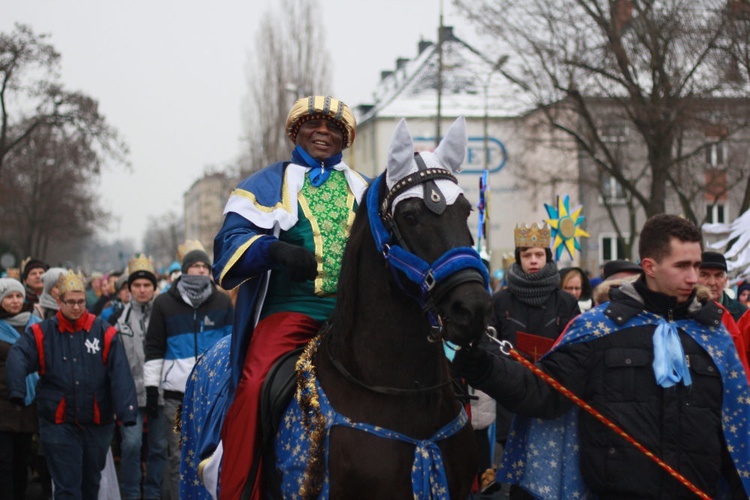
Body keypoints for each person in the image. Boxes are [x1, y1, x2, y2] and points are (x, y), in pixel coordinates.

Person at [452, 214, 750, 498]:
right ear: (650, 266)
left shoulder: (713, 335)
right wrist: (485, 365)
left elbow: (737, 428)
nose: (692, 276)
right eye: (682, 265)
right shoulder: (599, 329)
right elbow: (542, 391)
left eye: (696, 265)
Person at [212, 95, 366, 499]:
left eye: (333, 127)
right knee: (252, 386)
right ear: (296, 131)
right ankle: (239, 488)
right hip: (291, 314)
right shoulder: (266, 183)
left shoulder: (364, 188)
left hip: (355, 321)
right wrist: (274, 251)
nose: (323, 132)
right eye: (313, 124)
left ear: (344, 139)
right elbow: (229, 246)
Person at [6, 270, 138, 499]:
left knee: (90, 483)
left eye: (81, 302)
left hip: (97, 420)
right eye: (70, 302)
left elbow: (120, 374)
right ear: (59, 302)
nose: (76, 307)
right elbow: (18, 355)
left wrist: (126, 412)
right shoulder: (41, 332)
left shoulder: (104, 332)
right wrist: (17, 390)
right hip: (58, 421)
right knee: (67, 485)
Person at [144, 247, 234, 500]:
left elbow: (234, 345)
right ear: (185, 271)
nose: (202, 270)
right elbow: (154, 348)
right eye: (197, 266)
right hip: (176, 394)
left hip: (214, 394)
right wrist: (152, 389)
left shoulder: (222, 301)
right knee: (178, 457)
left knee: (213, 453)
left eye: (206, 267)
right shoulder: (163, 304)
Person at [108, 255, 166, 500]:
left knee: (159, 447)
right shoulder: (116, 321)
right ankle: (131, 493)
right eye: (137, 285)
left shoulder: (165, 314)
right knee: (131, 445)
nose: (142, 290)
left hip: (160, 391)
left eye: (147, 285)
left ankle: (153, 492)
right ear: (129, 288)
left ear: (154, 287)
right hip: (130, 392)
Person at [0, 278, 42, 499]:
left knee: (21, 460)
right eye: (9, 297)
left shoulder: (36, 323)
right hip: (3, 402)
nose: (15, 301)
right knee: (3, 461)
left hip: (29, 402)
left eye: (18, 296)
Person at [698, 251, 748, 322]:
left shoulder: (743, 314)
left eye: (718, 275)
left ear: (725, 280)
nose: (712, 283)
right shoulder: (683, 311)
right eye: (705, 275)